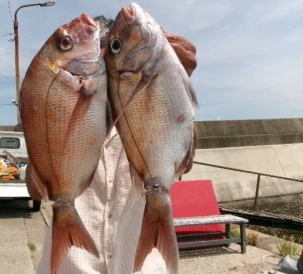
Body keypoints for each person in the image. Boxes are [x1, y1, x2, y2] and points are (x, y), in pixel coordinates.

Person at [36, 16, 198, 274]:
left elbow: (182, 164)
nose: (103, 62)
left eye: (111, 49)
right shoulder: (64, 110)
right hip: (71, 265)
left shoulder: (147, 109)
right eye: (99, 51)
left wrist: (176, 81)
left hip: (140, 265)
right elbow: (35, 191)